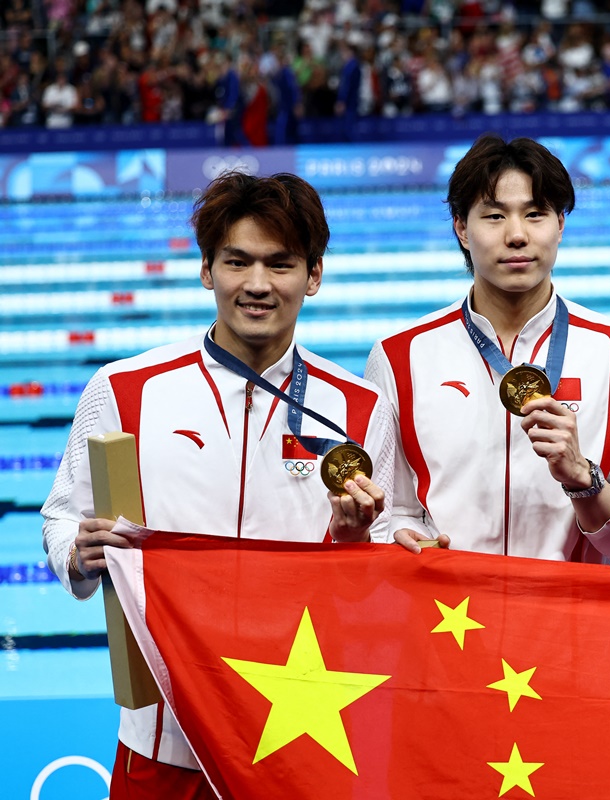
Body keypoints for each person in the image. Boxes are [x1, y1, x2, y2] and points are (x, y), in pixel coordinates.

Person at [41, 172, 395, 800]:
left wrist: (355, 541)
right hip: (161, 738)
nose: (257, 285)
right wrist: (78, 551)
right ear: (207, 270)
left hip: (301, 732)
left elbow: (381, 582)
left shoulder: (360, 409)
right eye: (238, 262)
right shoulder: (126, 389)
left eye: (280, 264)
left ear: (313, 276)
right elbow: (63, 516)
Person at [365, 134, 610, 565]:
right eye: (494, 216)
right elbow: (387, 512)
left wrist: (584, 481)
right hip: (450, 620)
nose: (516, 235)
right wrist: (405, 533)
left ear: (560, 225)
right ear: (461, 227)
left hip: (572, 622)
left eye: (535, 214)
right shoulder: (399, 357)